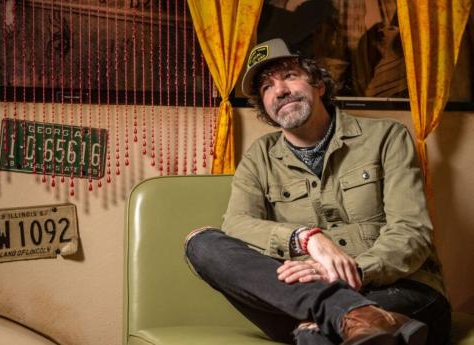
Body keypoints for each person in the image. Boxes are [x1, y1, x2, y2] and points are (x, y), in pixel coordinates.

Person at [184, 38, 450, 345]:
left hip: (400, 288)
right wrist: (306, 238)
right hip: (303, 299)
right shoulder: (259, 157)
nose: (280, 90)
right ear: (265, 107)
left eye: (289, 75)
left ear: (319, 84)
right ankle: (345, 313)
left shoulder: (387, 137)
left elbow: (412, 232)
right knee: (202, 244)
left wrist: (346, 272)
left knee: (315, 337)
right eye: (267, 87)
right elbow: (237, 225)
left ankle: (338, 316)